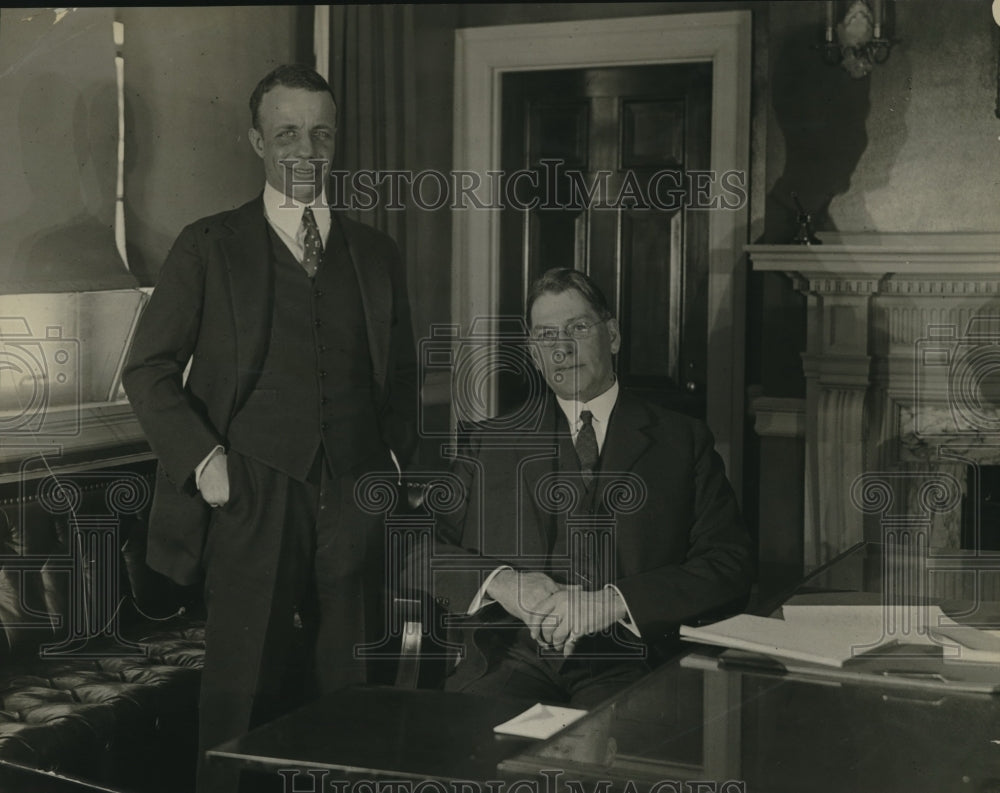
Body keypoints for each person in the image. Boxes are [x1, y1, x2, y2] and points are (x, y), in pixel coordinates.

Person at [122, 64, 417, 792]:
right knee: (240, 696)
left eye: (321, 133)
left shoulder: (375, 254)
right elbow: (148, 369)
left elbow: (401, 384)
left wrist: (389, 472)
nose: (306, 150)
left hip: (352, 495)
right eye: (288, 133)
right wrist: (206, 463)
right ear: (257, 140)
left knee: (351, 696)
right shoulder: (209, 245)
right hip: (249, 493)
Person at [412, 267, 752, 707]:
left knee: (609, 764)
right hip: (515, 659)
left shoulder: (681, 441)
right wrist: (504, 584)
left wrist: (614, 602)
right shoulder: (489, 442)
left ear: (612, 335)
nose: (562, 349)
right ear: (534, 354)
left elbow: (730, 564)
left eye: (577, 328)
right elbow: (416, 548)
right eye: (546, 336)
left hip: (632, 661)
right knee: (482, 757)